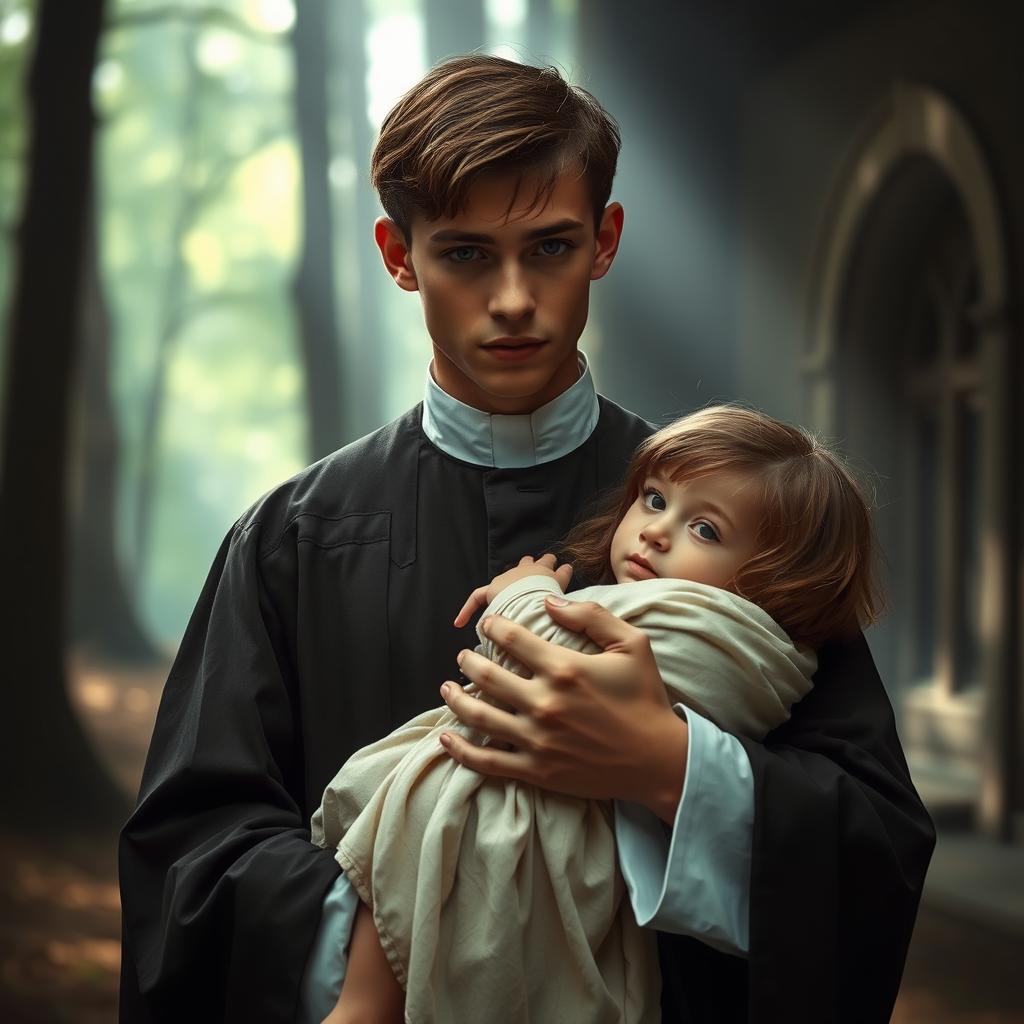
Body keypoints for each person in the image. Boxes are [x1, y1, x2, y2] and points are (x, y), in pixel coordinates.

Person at [118, 55, 934, 1024]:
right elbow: (194, 843)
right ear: (398, 253)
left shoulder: (745, 521)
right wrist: (414, 922)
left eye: (549, 247)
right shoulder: (292, 535)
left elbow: (871, 842)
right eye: (465, 253)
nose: (512, 299)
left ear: (605, 238)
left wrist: (666, 766)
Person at [314, 405, 880, 1024]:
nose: (656, 532)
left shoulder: (712, 621)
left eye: (707, 531)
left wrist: (523, 593)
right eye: (654, 500)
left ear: (776, 580)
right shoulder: (297, 517)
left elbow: (537, 645)